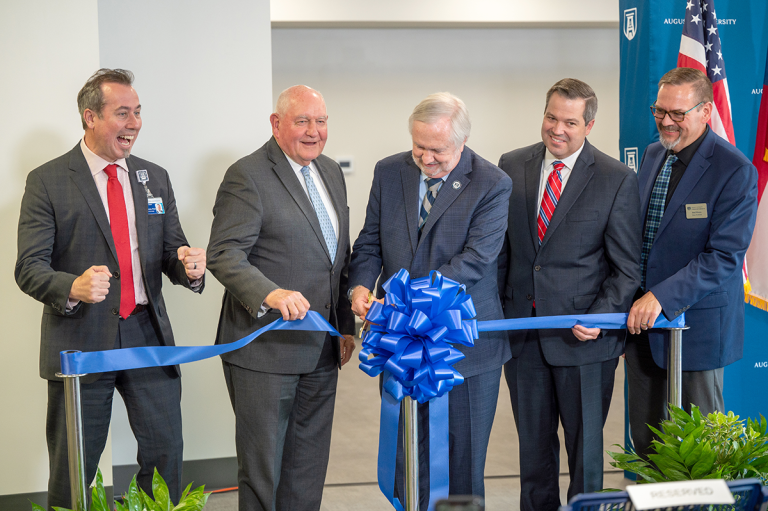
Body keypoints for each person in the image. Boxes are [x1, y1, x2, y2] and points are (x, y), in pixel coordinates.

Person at [15, 68, 206, 508]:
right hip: (81, 341)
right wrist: (73, 286)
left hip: (146, 335)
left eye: (138, 112)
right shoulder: (48, 181)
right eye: (123, 113)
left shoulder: (153, 177)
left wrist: (189, 267)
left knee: (165, 455)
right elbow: (28, 268)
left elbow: (170, 251)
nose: (135, 123)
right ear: (90, 117)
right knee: (75, 465)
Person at [348, 92, 512, 508]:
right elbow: (369, 243)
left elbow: (474, 262)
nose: (426, 158)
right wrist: (360, 287)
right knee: (408, 453)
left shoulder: (492, 183)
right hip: (400, 345)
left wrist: (403, 302)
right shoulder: (389, 171)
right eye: (418, 146)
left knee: (462, 462)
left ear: (462, 140)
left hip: (464, 351)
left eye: (437, 149)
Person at [206, 85, 355, 511]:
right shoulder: (247, 175)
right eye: (302, 121)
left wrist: (344, 326)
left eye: (321, 121)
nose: (314, 131)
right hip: (263, 353)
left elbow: (337, 260)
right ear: (276, 124)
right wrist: (270, 293)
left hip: (322, 351)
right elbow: (223, 254)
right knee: (263, 472)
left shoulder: (329, 171)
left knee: (307, 469)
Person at [498, 78, 641, 511]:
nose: (557, 129)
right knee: (533, 457)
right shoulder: (511, 164)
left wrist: (599, 317)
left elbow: (627, 267)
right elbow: (503, 252)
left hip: (585, 342)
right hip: (523, 338)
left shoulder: (616, 178)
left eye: (570, 122)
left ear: (589, 125)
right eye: (551, 117)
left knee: (586, 459)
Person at [626, 67, 758, 457]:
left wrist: (661, 297)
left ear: (705, 111)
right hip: (640, 329)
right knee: (648, 443)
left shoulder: (734, 170)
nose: (666, 122)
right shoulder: (653, 154)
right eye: (659, 111)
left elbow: (723, 257)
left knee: (700, 451)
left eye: (677, 114)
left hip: (695, 330)